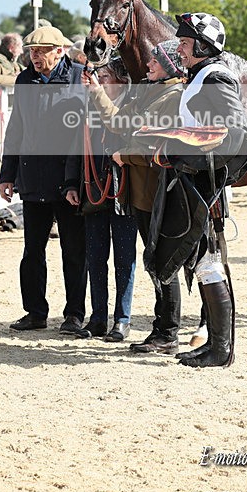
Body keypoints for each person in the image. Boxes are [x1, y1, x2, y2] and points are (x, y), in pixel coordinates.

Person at [146, 12, 247, 369]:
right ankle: (216, 346)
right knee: (205, 262)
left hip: (206, 185)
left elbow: (234, 134)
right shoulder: (201, 75)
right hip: (197, 181)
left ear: (204, 46)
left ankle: (221, 350)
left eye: (187, 44)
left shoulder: (215, 77)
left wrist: (179, 151)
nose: (182, 49)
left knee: (209, 262)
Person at [82, 39, 185, 354]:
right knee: (154, 260)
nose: (149, 65)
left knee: (162, 261)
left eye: (155, 61)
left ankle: (167, 332)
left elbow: (160, 147)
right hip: (141, 193)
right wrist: (96, 91)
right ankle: (162, 330)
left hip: (157, 194)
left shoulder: (174, 98)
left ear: (167, 65)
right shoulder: (150, 93)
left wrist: (125, 156)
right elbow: (116, 120)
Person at [0, 25, 87, 333]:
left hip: (69, 180)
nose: (34, 57)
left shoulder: (78, 77)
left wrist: (77, 179)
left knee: (74, 251)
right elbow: (16, 128)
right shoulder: (24, 80)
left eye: (41, 52)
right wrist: (6, 174)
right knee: (32, 251)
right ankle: (35, 312)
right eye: (31, 52)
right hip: (32, 177)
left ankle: (75, 314)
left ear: (58, 51)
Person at [78, 60, 138, 342]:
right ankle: (98, 317)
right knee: (95, 257)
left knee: (124, 259)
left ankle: (122, 319)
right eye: (98, 77)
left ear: (121, 80)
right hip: (94, 188)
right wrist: (70, 183)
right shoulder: (88, 107)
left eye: (105, 77)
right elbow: (75, 146)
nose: (100, 82)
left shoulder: (133, 107)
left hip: (123, 192)